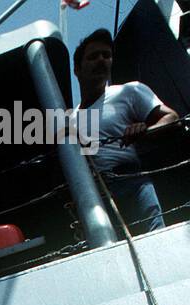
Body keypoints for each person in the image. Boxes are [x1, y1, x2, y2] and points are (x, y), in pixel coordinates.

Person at [73, 28, 179, 234]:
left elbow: (172, 117)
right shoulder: (70, 119)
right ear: (77, 69)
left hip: (132, 181)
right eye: (93, 56)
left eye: (107, 55)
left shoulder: (129, 91)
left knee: (154, 238)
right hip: (96, 194)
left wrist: (146, 130)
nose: (102, 60)